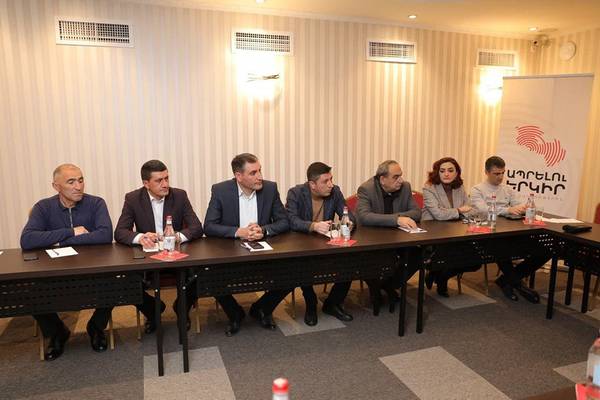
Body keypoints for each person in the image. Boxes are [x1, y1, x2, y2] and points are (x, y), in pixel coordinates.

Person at [20, 163, 113, 360]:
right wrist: (71, 231)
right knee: (28, 291)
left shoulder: (96, 203)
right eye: (71, 182)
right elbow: (27, 239)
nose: (78, 186)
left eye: (80, 180)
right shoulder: (43, 207)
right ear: (56, 186)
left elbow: (105, 235)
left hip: (91, 270)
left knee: (117, 283)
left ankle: (96, 327)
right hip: (55, 272)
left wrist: (60, 241)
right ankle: (57, 332)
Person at [204, 153, 290, 336]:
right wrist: (238, 231)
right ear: (238, 176)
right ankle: (235, 313)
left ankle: (262, 309)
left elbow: (284, 221)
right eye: (253, 173)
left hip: (263, 250)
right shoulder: (221, 190)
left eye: (260, 171)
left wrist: (264, 230)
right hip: (232, 252)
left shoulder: (270, 189)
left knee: (293, 272)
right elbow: (209, 226)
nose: (260, 176)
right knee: (209, 276)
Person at [114, 160, 204, 333]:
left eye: (166, 178)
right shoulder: (133, 199)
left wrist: (176, 237)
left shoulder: (179, 196)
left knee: (200, 273)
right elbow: (120, 232)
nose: (165, 184)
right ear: (146, 183)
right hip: (148, 258)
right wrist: (140, 237)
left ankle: (182, 308)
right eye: (159, 180)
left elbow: (196, 227)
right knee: (126, 280)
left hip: (176, 255)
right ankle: (154, 310)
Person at [470, 156, 548, 303]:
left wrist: (523, 208)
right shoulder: (477, 189)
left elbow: (516, 205)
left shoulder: (507, 189)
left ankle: (506, 280)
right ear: (486, 172)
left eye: (502, 173)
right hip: (489, 234)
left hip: (511, 231)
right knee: (502, 248)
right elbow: (482, 210)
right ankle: (517, 284)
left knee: (545, 250)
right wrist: (507, 210)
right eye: (496, 173)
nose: (500, 177)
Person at [286, 162, 355, 326]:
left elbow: (347, 214)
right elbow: (291, 220)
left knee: (350, 260)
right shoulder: (296, 193)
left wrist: (349, 223)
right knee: (304, 264)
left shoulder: (335, 191)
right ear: (312, 184)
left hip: (326, 243)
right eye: (326, 181)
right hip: (302, 244)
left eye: (331, 179)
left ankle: (332, 303)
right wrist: (314, 226)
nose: (331, 184)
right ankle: (311, 302)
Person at [356, 160, 422, 315]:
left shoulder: (405, 187)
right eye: (396, 177)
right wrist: (397, 220)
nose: (401, 180)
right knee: (372, 260)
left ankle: (389, 285)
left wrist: (395, 218)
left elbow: (416, 212)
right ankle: (376, 288)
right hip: (373, 239)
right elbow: (364, 217)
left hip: (398, 238)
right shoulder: (366, 189)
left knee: (418, 254)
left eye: (401, 176)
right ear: (382, 179)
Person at [422, 157, 481, 297]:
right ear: (437, 173)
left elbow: (473, 210)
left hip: (456, 231)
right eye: (442, 171)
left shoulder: (459, 187)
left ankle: (440, 276)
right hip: (434, 233)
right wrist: (459, 210)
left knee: (476, 260)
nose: (446, 174)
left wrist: (450, 212)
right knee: (451, 253)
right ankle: (440, 277)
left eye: (450, 170)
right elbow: (438, 215)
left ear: (457, 173)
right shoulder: (429, 188)